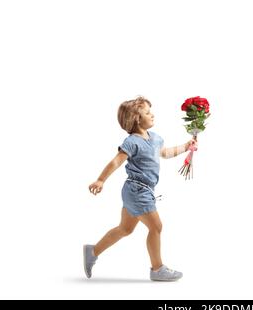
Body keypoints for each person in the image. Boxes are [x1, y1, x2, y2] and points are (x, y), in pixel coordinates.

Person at [84, 96, 196, 281]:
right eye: (147, 112)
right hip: (137, 191)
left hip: (140, 191)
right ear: (137, 118)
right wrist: (100, 180)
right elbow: (116, 162)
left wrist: (186, 147)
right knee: (156, 227)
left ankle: (92, 251)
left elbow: (165, 153)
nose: (152, 115)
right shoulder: (132, 142)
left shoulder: (155, 138)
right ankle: (157, 268)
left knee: (125, 229)